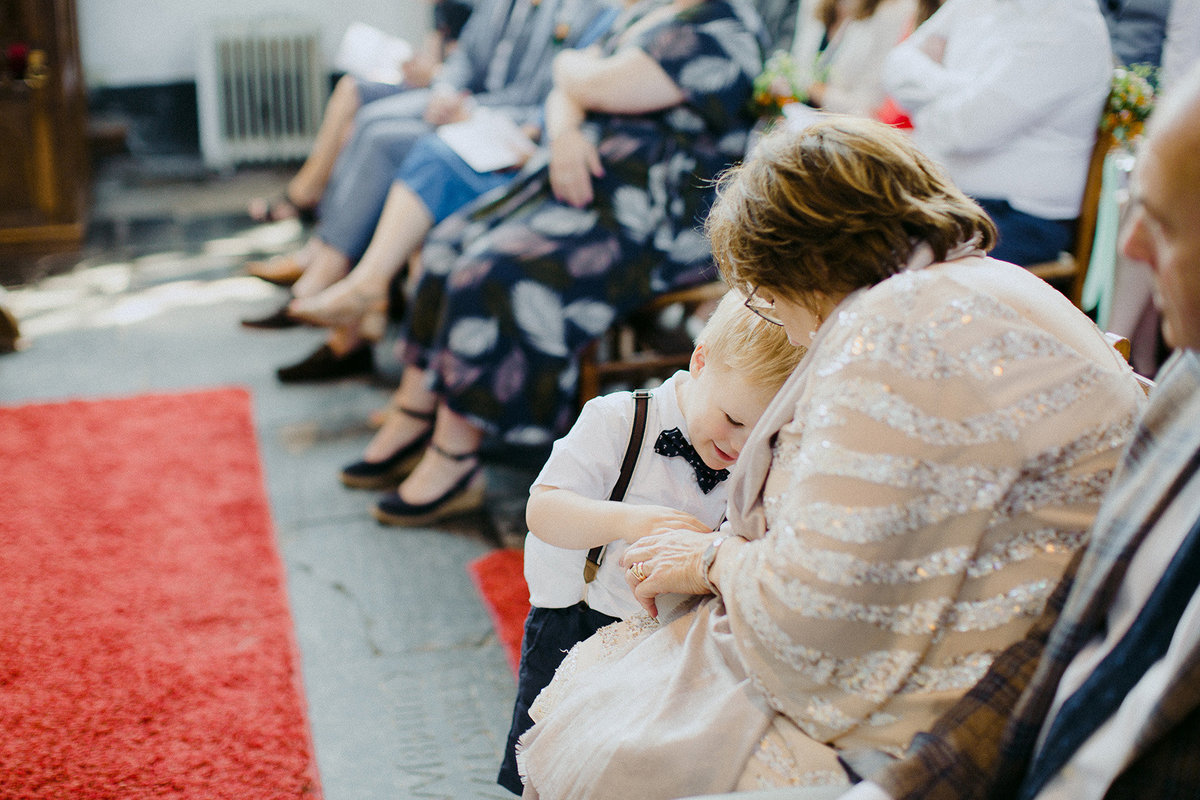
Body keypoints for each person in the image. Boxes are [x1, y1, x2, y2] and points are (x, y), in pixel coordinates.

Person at [511, 117, 1145, 799]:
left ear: (802, 267)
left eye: (766, 294)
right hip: (1048, 642)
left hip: (965, 698)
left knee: (614, 734)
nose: (777, 319)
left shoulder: (891, 332)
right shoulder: (987, 287)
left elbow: (813, 620)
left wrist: (711, 560)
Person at [756, 60, 1200, 800]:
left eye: (1165, 223)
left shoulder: (906, 324)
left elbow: (818, 609)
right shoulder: (1185, 384)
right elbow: (1061, 644)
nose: (1128, 251)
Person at [340, 0, 767, 513]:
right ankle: (416, 411)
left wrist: (573, 74)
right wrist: (565, 131)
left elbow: (590, 83)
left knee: (492, 272)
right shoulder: (651, 14)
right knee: (448, 244)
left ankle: (454, 457)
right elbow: (564, 87)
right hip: (584, 191)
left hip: (650, 220)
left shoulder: (724, 28)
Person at [497, 290, 806, 793]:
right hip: (579, 616)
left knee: (634, 759)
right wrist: (627, 521)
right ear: (700, 362)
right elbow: (544, 509)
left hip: (674, 635)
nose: (740, 446)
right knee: (550, 756)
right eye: (732, 420)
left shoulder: (757, 457)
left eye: (763, 434)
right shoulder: (620, 419)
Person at [241, 0, 608, 323]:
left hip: (504, 123)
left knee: (389, 142)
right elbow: (466, 57)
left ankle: (327, 277)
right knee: (370, 120)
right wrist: (446, 91)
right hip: (470, 106)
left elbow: (546, 100)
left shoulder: (580, 9)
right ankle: (327, 265)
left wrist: (470, 108)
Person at [881, 0, 1112, 267]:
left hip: (1018, 218)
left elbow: (963, 131)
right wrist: (964, 91)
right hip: (945, 197)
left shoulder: (1068, 25)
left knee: (880, 263)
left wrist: (932, 103)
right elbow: (895, 64)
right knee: (845, 233)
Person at [788, 0, 917, 117]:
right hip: (801, 117)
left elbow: (869, 107)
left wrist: (815, 91)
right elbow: (796, 65)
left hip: (846, 128)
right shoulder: (817, 6)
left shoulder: (893, 14)